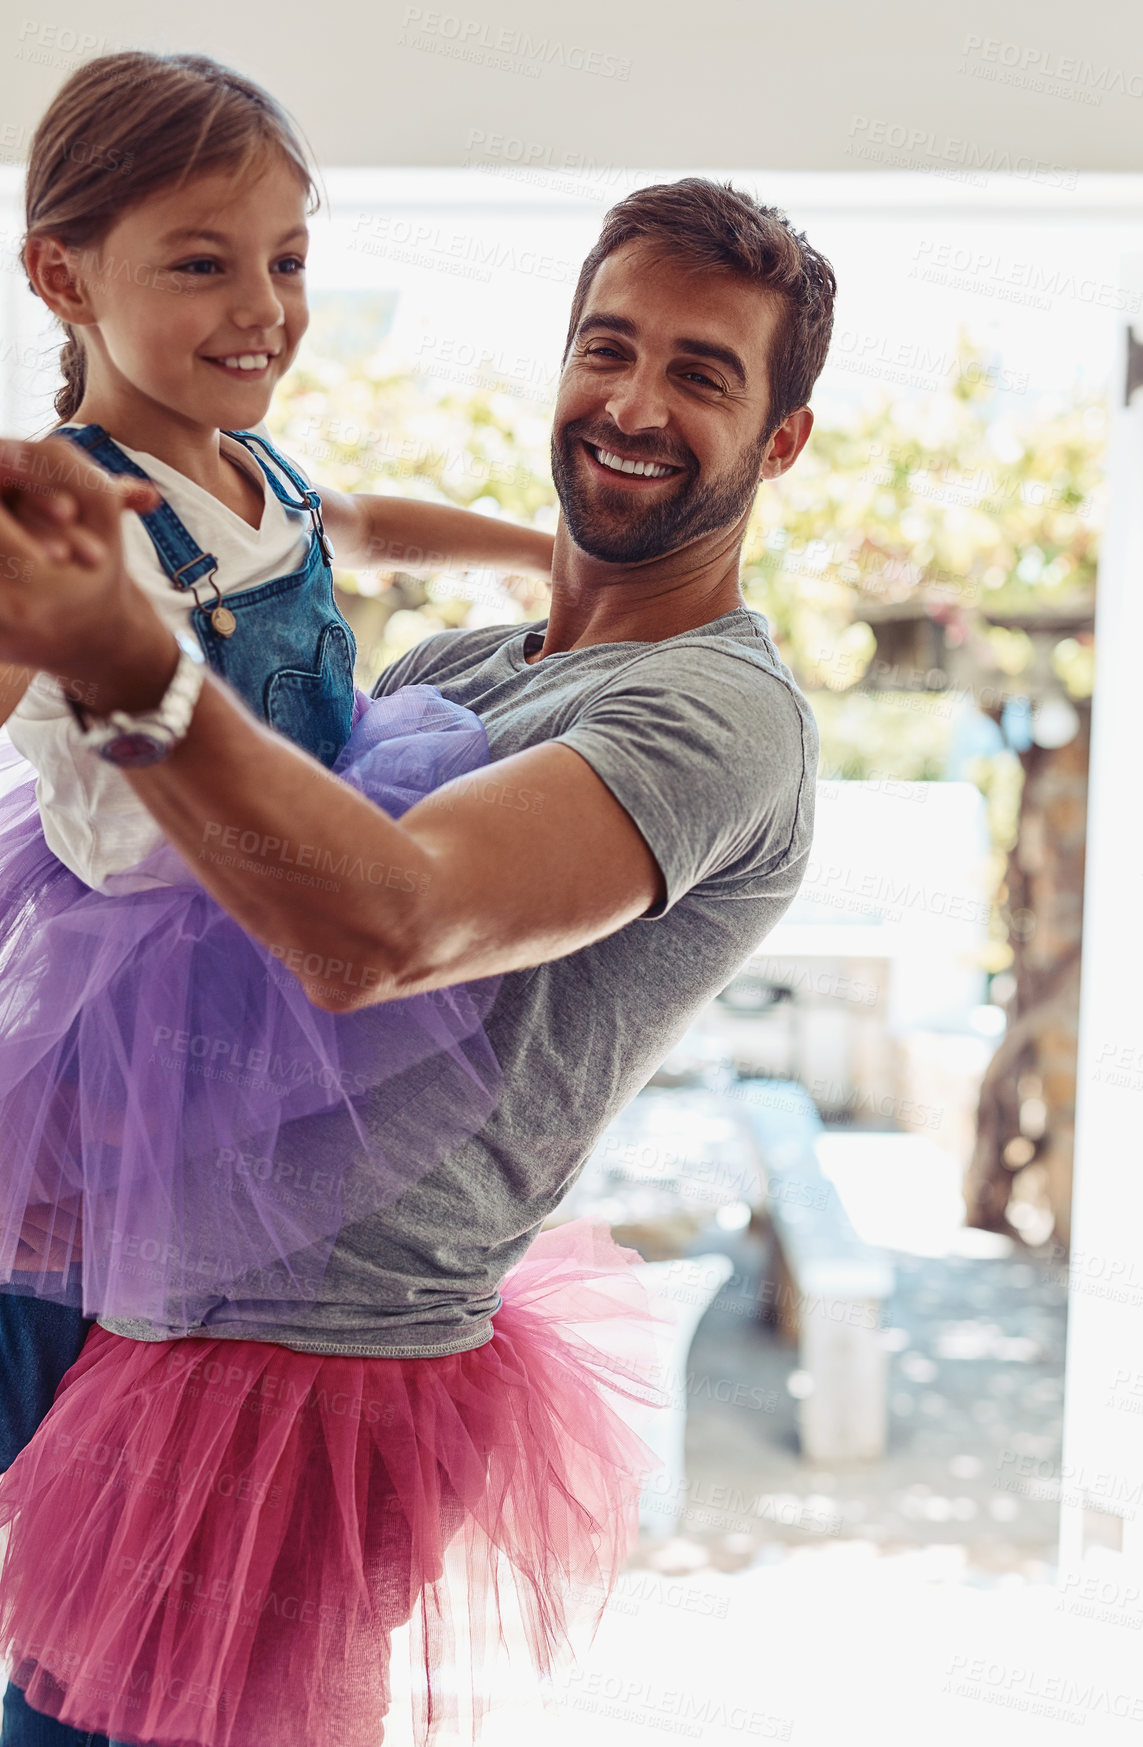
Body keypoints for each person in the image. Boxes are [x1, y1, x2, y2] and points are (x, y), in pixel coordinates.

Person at [0, 168, 835, 1747]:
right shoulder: (461, 661)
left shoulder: (720, 721)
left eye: (702, 373)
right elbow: (216, 941)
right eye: (609, 347)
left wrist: (125, 655)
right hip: (153, 1309)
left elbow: (381, 928)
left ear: (780, 440)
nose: (634, 401)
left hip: (303, 1387)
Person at [0, 48, 556, 1747]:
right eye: (203, 259)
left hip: (294, 911)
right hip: (134, 977)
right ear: (61, 274)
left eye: (291, 257)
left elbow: (367, 525)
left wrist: (554, 559)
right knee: (66, 1321)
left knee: (220, 1326)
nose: (264, 305)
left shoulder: (271, 477)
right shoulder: (62, 505)